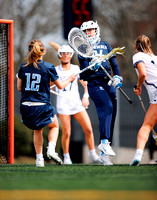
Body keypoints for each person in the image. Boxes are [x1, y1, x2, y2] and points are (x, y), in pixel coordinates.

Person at [17, 39, 76, 167]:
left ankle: (39, 160)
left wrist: (45, 85)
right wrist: (70, 79)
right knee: (54, 126)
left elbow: (20, 88)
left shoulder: (23, 67)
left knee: (37, 130)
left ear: (30, 51)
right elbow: (60, 86)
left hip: (26, 107)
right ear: (43, 51)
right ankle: (51, 149)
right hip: (41, 106)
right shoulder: (49, 67)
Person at [78, 21, 123, 165]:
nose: (88, 33)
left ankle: (104, 155)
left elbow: (114, 65)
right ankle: (104, 141)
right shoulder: (82, 49)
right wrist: (93, 67)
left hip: (108, 82)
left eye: (90, 30)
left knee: (112, 114)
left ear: (96, 30)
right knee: (107, 107)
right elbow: (84, 75)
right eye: (86, 31)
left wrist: (117, 76)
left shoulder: (105, 45)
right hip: (95, 83)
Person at [54, 44, 100, 164]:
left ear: (71, 55)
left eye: (68, 54)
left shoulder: (75, 68)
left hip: (75, 103)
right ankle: (66, 156)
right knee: (67, 132)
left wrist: (85, 95)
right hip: (62, 104)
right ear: (59, 55)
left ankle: (92, 154)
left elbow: (84, 82)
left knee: (88, 129)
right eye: (63, 54)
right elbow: (50, 84)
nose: (65, 56)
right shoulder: (55, 70)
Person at [130, 35, 157, 166]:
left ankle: (138, 156)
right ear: (149, 44)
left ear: (136, 46)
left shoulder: (138, 56)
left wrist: (139, 85)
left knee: (146, 126)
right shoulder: (155, 58)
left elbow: (143, 74)